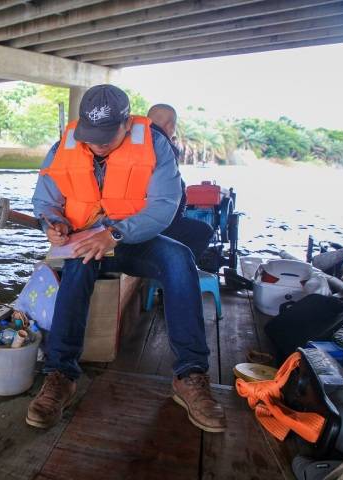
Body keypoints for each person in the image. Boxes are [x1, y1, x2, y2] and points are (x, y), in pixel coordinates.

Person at [28, 85, 226, 433]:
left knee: (179, 258)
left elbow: (164, 206)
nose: (98, 144)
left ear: (127, 122)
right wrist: (52, 223)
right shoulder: (66, 143)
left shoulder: (155, 143)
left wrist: (116, 234)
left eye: (107, 136)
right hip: (86, 238)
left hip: (134, 237)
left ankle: (190, 375)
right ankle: (60, 374)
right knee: (77, 266)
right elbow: (45, 199)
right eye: (92, 136)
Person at [147, 104, 214, 262]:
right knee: (204, 230)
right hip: (158, 223)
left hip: (130, 219)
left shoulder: (135, 140)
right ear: (170, 126)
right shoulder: (163, 145)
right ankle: (179, 268)